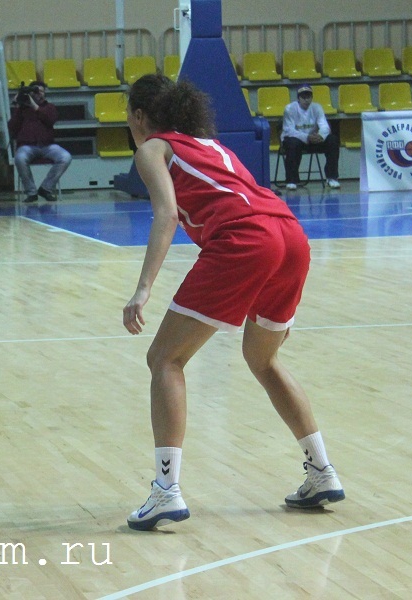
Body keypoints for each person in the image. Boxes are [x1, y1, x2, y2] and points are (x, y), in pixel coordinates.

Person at [122, 74, 344, 531]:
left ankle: (166, 491)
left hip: (245, 240)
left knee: (164, 359)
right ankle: (321, 471)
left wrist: (143, 288)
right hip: (289, 235)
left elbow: (166, 214)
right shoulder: (211, 145)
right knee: (263, 359)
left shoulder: (152, 149)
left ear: (140, 115)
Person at [8, 80, 72, 203]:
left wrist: (35, 107)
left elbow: (50, 120)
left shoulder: (50, 107)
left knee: (66, 157)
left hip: (48, 145)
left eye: (41, 91)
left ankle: (46, 188)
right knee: (20, 158)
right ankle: (31, 192)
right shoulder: (22, 109)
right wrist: (18, 106)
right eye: (36, 91)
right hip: (27, 146)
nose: (39, 93)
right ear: (30, 93)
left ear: (45, 93)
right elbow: (12, 127)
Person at [281, 84, 340, 190]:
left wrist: (321, 136)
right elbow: (289, 130)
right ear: (298, 98)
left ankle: (331, 177)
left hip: (314, 140)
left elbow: (324, 126)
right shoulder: (289, 109)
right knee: (292, 143)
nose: (306, 100)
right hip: (296, 139)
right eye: (303, 97)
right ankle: (291, 180)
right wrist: (307, 137)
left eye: (308, 96)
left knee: (333, 140)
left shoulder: (317, 107)